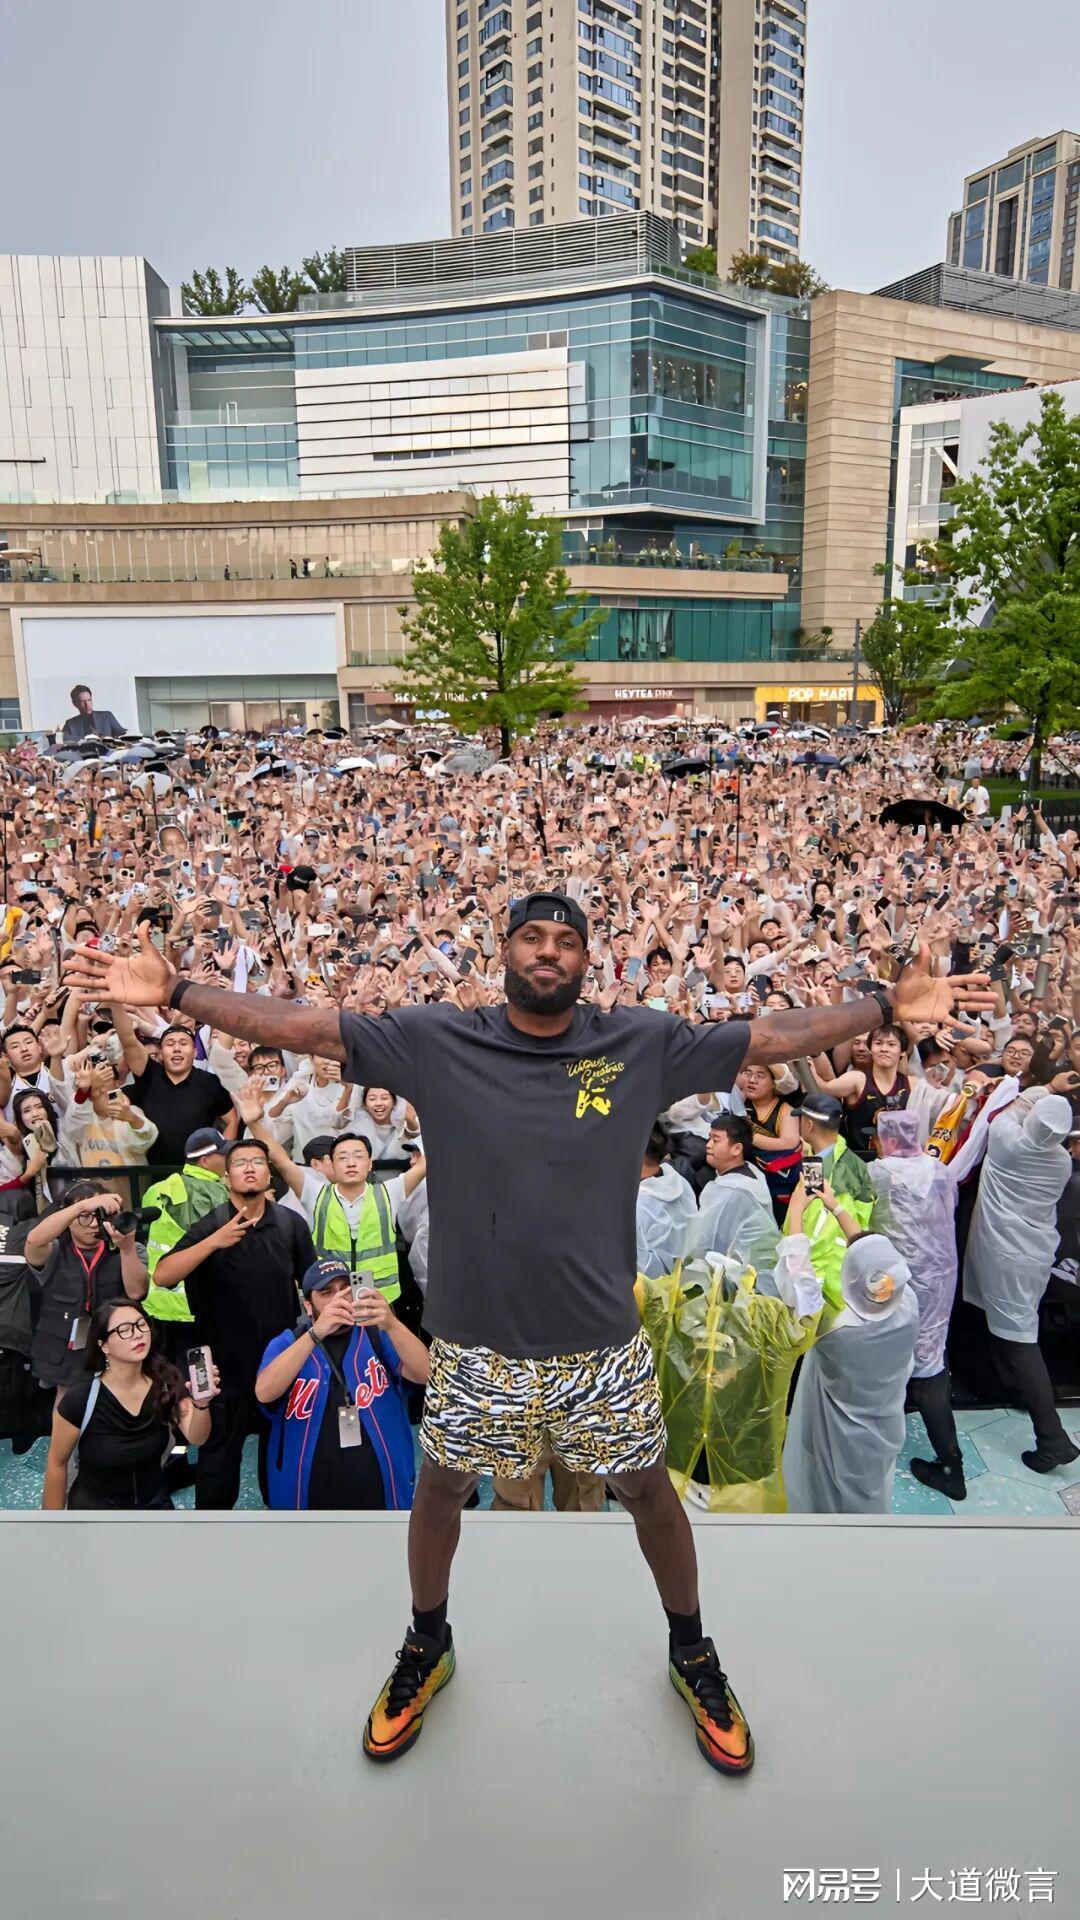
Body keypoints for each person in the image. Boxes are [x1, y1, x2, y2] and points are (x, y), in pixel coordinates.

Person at [70, 900, 989, 1776]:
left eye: (567, 939)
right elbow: (308, 1027)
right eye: (532, 936)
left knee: (648, 1493)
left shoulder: (636, 1042)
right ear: (503, 950)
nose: (549, 950)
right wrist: (179, 992)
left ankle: (691, 1649)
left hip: (601, 1343)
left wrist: (883, 1007)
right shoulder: (439, 1041)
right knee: (441, 1490)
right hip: (478, 1344)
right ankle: (427, 1641)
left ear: (587, 959)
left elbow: (767, 1038)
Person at [151, 1139, 317, 1508]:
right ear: (226, 1177)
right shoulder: (209, 1225)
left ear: (269, 1173)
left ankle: (282, 1517)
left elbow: (312, 1286)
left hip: (279, 1363)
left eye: (257, 1161)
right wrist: (214, 1241)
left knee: (282, 1456)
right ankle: (212, 1532)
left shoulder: (290, 1224)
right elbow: (162, 1275)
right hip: (221, 1369)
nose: (249, 1168)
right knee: (218, 1464)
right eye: (240, 1162)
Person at [962, 1093, 1079, 1473]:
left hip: (1004, 1256)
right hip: (1035, 1254)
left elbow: (1014, 1104)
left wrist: (1026, 1090)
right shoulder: (1061, 1161)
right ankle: (1009, 1388)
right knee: (1012, 1333)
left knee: (1020, 1343)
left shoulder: (1007, 1140)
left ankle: (1052, 1439)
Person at [255, 1256, 428, 1510]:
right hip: (308, 1497)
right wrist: (315, 1333)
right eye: (326, 1293)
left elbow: (426, 1373)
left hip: (379, 1493)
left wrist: (391, 1323)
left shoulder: (376, 1334)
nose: (338, 1298)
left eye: (345, 1289)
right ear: (308, 1305)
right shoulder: (287, 1342)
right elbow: (264, 1392)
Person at [783, 1221, 919, 1514]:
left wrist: (796, 1214)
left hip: (839, 1434)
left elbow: (801, 1289)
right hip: (884, 1426)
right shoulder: (908, 1305)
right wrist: (837, 1208)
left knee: (828, 1492)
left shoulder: (838, 1335)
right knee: (872, 1491)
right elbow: (876, 1261)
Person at [42, 1298, 219, 1509]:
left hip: (153, 1507)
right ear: (103, 1345)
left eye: (141, 1324)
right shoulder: (81, 1398)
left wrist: (202, 1405)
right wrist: (52, 1524)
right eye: (124, 1330)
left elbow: (197, 1437)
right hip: (96, 1511)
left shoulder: (165, 1382)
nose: (137, 1334)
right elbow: (57, 1463)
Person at [869, 1110, 964, 1500]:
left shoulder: (878, 1172)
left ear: (887, 1138)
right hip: (940, 1278)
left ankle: (950, 1469)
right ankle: (948, 1458)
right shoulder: (940, 1170)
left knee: (901, 1361)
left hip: (900, 1280)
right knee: (931, 1355)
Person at [24, 1183, 147, 1396]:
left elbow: (137, 1292)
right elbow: (34, 1240)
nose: (93, 1223)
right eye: (85, 1216)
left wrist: (127, 1249)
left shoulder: (129, 1249)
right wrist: (83, 1205)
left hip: (113, 1344)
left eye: (99, 1215)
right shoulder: (54, 1250)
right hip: (63, 1351)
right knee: (67, 1401)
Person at [141, 1129, 230, 1366]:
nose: (228, 1159)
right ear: (205, 1160)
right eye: (223, 1155)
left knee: (165, 1376)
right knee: (199, 1378)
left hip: (157, 1302)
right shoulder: (213, 1192)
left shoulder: (159, 1187)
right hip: (192, 1305)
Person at [784, 1092, 875, 1310]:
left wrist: (803, 1280)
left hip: (824, 1290)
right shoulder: (844, 1162)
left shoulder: (831, 1175)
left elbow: (821, 1236)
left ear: (809, 1125)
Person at [111, 1006, 234, 1166]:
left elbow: (232, 1119)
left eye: (184, 1043)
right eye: (170, 1044)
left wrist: (222, 1159)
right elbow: (127, 1039)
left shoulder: (210, 1082)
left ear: (194, 1052)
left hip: (198, 1172)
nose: (177, 1049)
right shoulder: (148, 1075)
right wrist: (114, 1001)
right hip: (150, 1171)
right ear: (161, 1053)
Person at [812, 1023, 910, 1161]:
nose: (884, 1049)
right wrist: (809, 1064)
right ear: (871, 1049)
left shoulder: (911, 1083)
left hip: (899, 1161)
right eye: (878, 1043)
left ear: (903, 1052)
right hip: (859, 1160)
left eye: (891, 1044)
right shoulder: (858, 1079)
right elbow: (824, 1088)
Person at [735, 1060, 801, 1221]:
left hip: (776, 1181)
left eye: (760, 1076)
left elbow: (789, 1143)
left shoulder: (785, 1109)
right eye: (748, 1074)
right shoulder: (737, 1102)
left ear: (773, 1083)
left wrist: (749, 1136)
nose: (752, 1080)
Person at [636, 1121, 698, 1280]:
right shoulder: (679, 1181)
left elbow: (638, 1264)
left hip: (648, 1285)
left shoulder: (637, 1205)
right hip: (685, 1277)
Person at [60, 684, 125, 744]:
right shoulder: (70, 723)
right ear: (75, 703)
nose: (87, 704)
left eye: (89, 700)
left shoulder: (107, 716)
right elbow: (62, 739)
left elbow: (122, 734)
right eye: (82, 701)